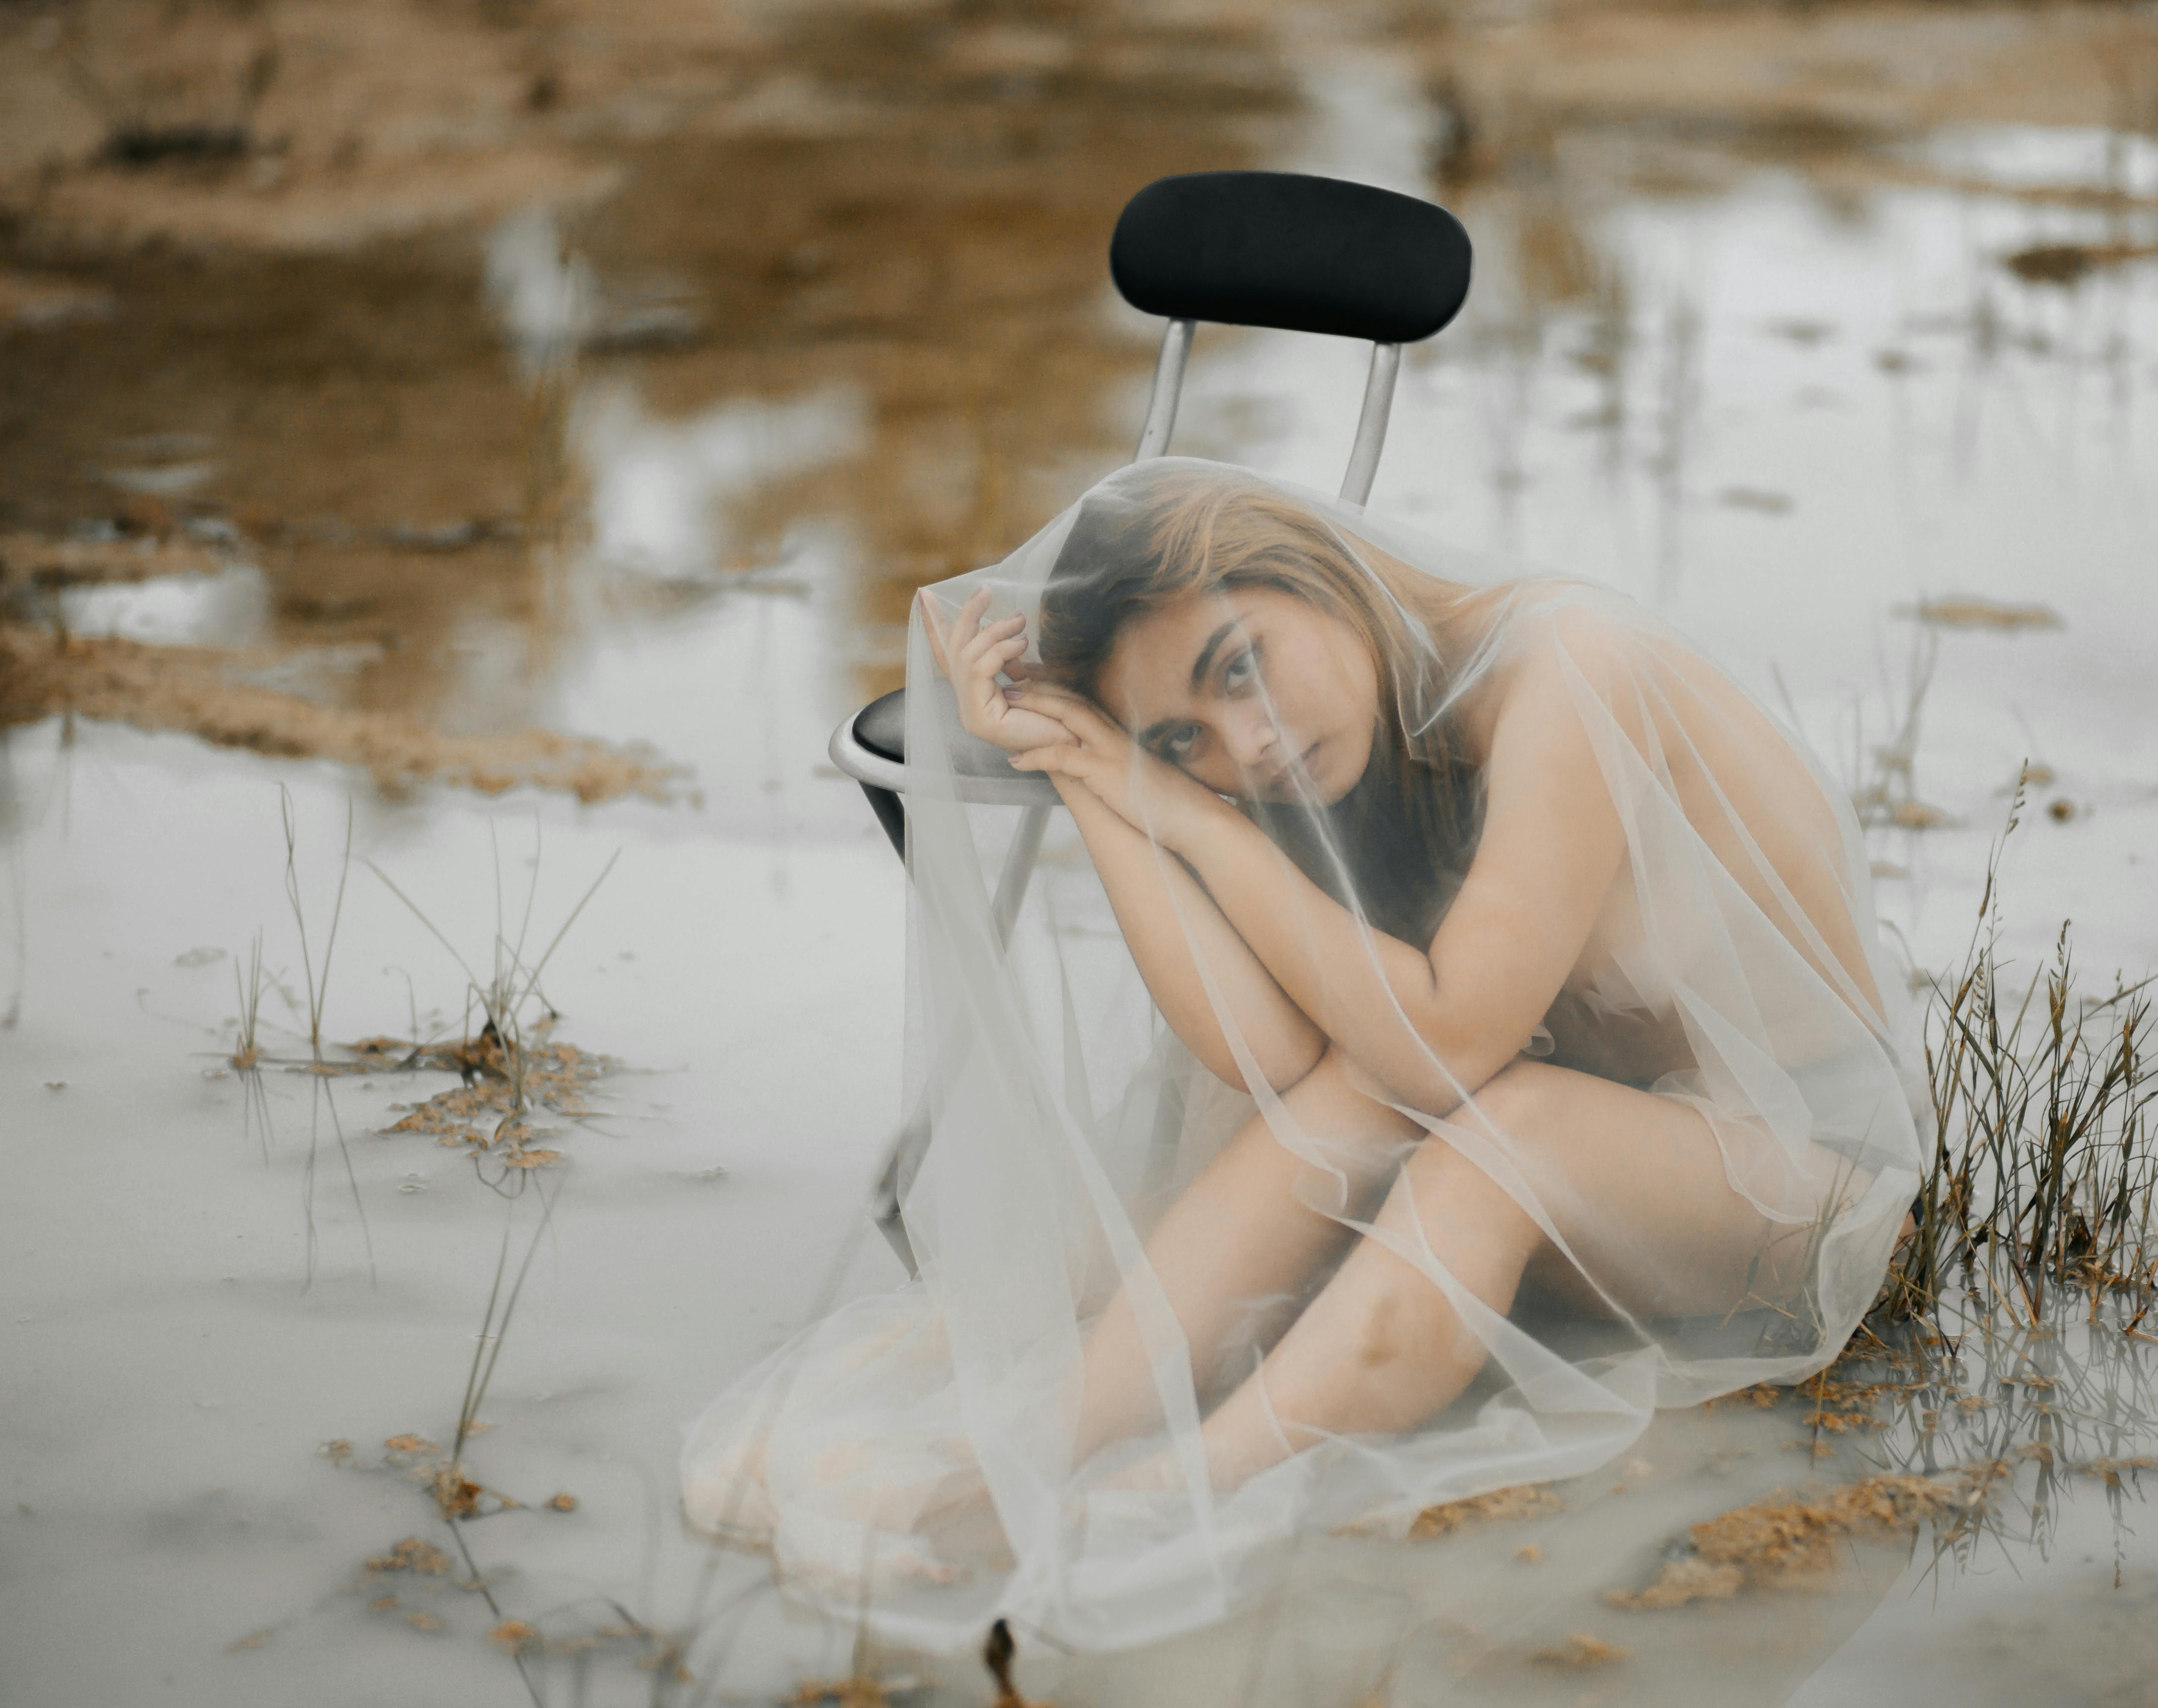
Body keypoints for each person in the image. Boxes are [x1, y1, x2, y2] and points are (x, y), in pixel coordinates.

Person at [683, 458, 1924, 1653]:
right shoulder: (1352, 739)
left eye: (1241, 667)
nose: (1251, 747)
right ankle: (1021, 1457)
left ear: (1318, 576)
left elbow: (1447, 1047)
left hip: (1794, 1189)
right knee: (1349, 1105)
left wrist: (1178, 810)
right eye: (1185, 740)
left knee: (1502, 1128)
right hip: (1566, 1173)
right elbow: (1267, 1059)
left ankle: (1168, 1494)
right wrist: (1085, 769)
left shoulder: (1572, 663)